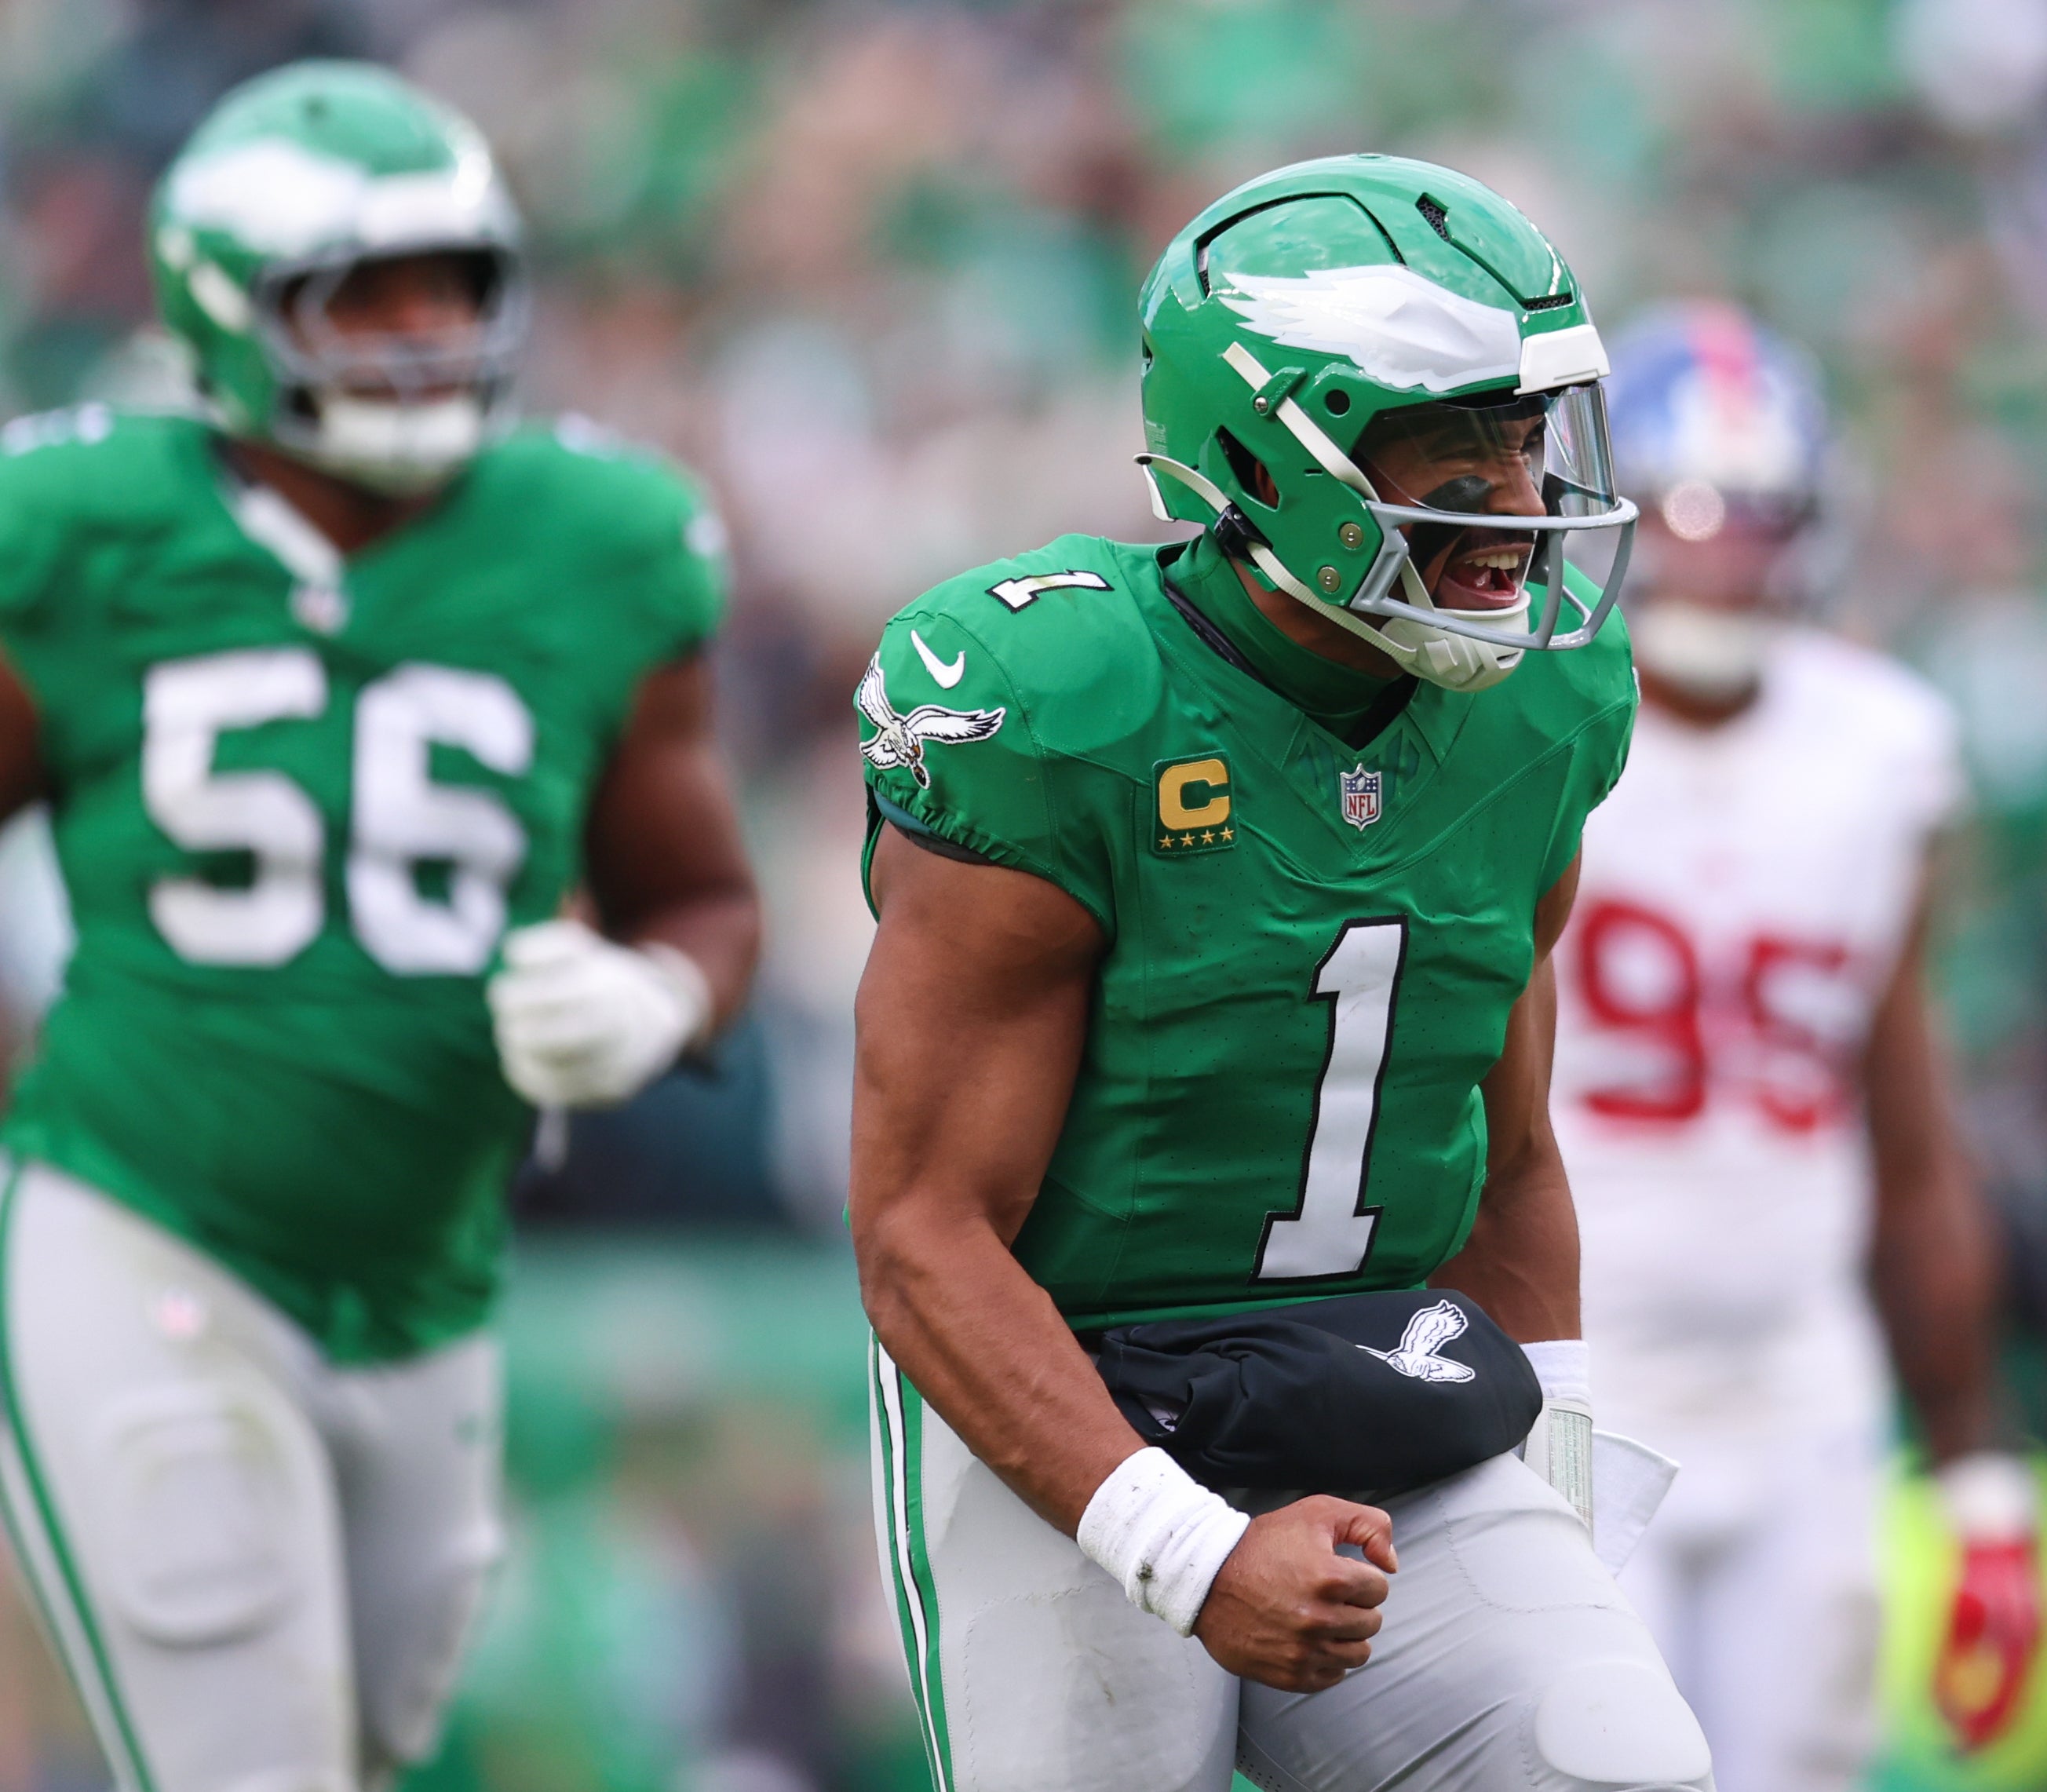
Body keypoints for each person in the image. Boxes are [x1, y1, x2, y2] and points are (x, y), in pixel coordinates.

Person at [848, 155, 1714, 1792]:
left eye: (1529, 433)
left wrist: (1569, 1466)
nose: (1519, 496)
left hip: (1376, 1365)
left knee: (1612, 1758)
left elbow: (1509, 1145)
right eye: (1451, 439)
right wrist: (1184, 1547)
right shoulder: (1068, 702)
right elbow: (921, 1233)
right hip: (1067, 1391)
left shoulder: (1541, 707)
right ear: (1271, 446)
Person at [0, 63, 761, 1792]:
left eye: (453, 288)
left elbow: (704, 897)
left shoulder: (597, 539)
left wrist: (651, 998)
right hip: (144, 1221)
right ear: (223, 307)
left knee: (367, 1741)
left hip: (432, 1277)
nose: (421, 334)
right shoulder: (72, 527)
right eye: (365, 296)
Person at [1549, 303, 2041, 1792]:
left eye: (1759, 515)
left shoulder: (1880, 746)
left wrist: (1978, 1475)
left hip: (1803, 1383)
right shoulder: (1527, 720)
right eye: (1687, 512)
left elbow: (1911, 1127)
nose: (1722, 553)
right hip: (1580, 1379)